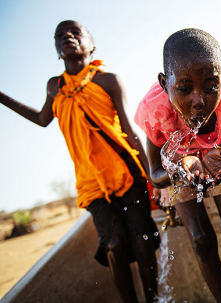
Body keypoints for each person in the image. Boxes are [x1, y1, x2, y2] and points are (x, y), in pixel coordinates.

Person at [0, 21, 160, 302]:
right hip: (91, 183)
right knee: (114, 244)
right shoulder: (55, 86)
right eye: (59, 35)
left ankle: (154, 299)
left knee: (142, 242)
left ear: (91, 45)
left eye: (75, 32)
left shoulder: (107, 79)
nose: (67, 37)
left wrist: (153, 176)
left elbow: (130, 131)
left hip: (127, 172)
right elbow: (41, 119)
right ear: (56, 50)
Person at [135, 28, 221, 302]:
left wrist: (217, 160)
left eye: (210, 87)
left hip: (213, 156)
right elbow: (156, 174)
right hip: (178, 166)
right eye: (184, 88)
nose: (199, 100)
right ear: (164, 83)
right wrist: (181, 167)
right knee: (201, 239)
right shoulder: (155, 111)